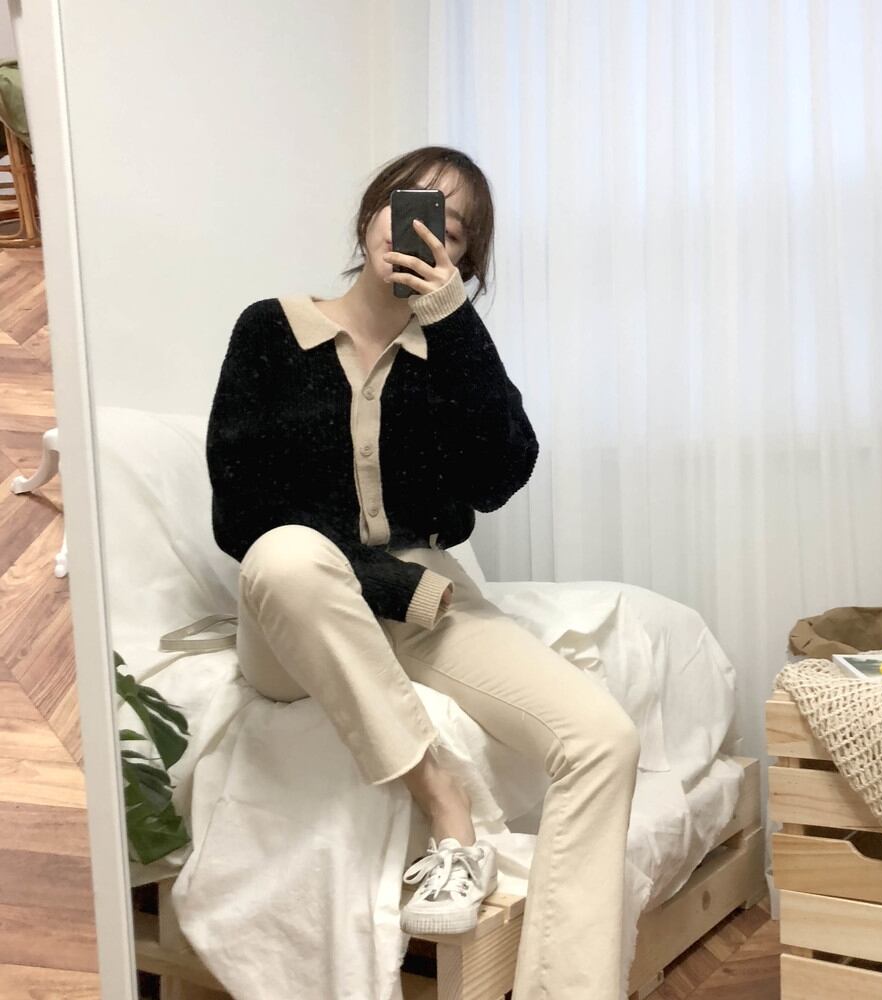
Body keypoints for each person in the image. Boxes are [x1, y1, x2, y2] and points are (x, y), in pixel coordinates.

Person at [205, 145, 641, 997]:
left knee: (602, 740)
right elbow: (241, 517)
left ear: (465, 261)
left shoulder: (447, 357)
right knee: (287, 554)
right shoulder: (271, 330)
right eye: (411, 205)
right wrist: (397, 587)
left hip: (422, 593)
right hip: (299, 613)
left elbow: (501, 474)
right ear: (371, 213)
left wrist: (454, 325)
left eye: (455, 228)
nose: (424, 230)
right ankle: (444, 804)